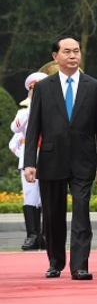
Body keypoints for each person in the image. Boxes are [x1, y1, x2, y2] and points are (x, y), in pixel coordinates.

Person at [23, 37, 97, 280]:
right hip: (51, 160)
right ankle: (55, 261)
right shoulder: (43, 87)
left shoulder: (94, 87)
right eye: (67, 52)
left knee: (81, 211)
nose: (73, 56)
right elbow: (34, 129)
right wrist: (30, 161)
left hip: (84, 160)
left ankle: (80, 265)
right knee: (53, 214)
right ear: (55, 56)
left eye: (76, 51)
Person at [9, 72, 48, 251]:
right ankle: (32, 235)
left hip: (49, 158)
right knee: (30, 196)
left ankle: (47, 235)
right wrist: (32, 106)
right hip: (30, 159)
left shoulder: (54, 108)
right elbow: (15, 127)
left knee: (48, 197)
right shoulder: (24, 111)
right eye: (34, 89)